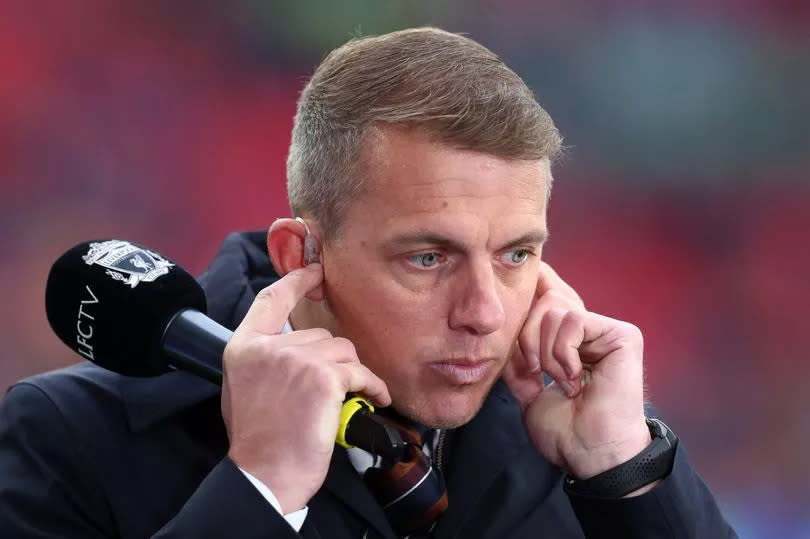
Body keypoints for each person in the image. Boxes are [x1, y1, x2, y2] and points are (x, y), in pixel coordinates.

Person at [0, 28, 736, 538]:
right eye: (428, 257)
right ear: (300, 255)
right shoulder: (65, 437)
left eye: (516, 255)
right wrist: (258, 487)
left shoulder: (571, 434)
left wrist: (625, 474)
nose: (483, 313)